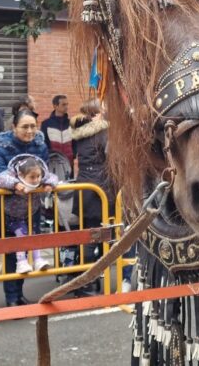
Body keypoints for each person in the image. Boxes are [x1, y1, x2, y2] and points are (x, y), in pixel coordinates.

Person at [0, 109, 48, 306]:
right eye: (25, 127)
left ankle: (19, 293)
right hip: (6, 209)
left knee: (26, 249)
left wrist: (47, 182)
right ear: (14, 127)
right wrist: (15, 185)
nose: (30, 131)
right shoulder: (1, 147)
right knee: (11, 252)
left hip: (31, 207)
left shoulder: (40, 145)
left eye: (33, 126)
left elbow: (44, 171)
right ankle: (11, 298)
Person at [69, 99, 113, 296]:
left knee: (88, 233)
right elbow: (111, 156)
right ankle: (89, 282)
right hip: (100, 187)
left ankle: (84, 279)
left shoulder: (79, 132)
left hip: (84, 185)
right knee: (96, 235)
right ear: (97, 113)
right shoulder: (103, 132)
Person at [0, 154, 59, 273]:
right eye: (32, 177)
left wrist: (50, 184)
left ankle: (37, 259)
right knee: (21, 234)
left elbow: (53, 177)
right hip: (12, 214)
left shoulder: (41, 175)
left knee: (33, 235)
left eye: (38, 176)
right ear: (21, 175)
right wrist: (15, 184)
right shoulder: (12, 174)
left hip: (30, 213)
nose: (36, 180)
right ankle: (21, 261)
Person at [41, 95, 75, 171]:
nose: (66, 107)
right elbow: (44, 143)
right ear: (55, 106)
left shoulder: (71, 123)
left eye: (67, 104)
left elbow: (75, 142)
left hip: (69, 162)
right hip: (53, 163)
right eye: (63, 104)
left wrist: (73, 154)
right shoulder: (46, 124)